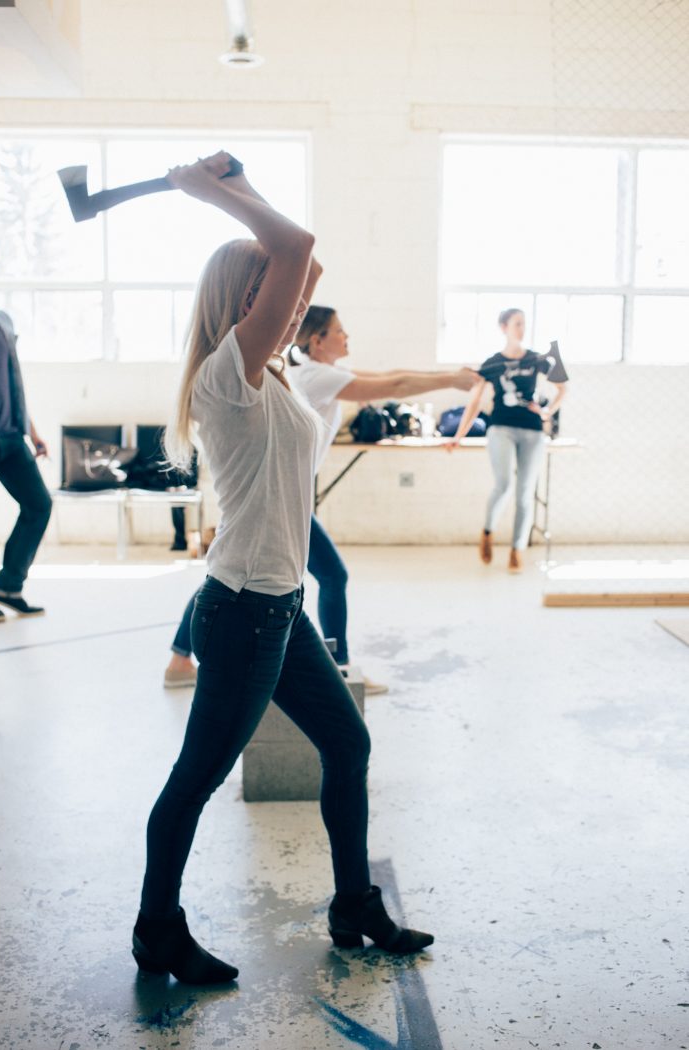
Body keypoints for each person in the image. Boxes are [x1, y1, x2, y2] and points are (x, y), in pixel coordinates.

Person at [134, 151, 433, 985]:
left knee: (347, 740)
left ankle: (352, 905)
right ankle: (157, 929)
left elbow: (308, 261)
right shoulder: (227, 374)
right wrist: (214, 194)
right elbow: (297, 247)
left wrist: (243, 186)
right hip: (241, 611)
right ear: (244, 300)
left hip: (279, 606)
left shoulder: (273, 371)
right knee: (194, 780)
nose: (299, 302)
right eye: (275, 289)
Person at [163, 306, 477, 694]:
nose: (347, 338)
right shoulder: (318, 375)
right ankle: (339, 670)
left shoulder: (312, 373)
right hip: (277, 499)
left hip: (275, 494)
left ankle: (179, 659)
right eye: (340, 331)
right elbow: (394, 386)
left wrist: (452, 376)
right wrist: (452, 380)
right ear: (317, 340)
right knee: (328, 576)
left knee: (228, 575)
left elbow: (387, 377)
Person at [446, 307, 568, 571]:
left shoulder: (536, 359)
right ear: (504, 327)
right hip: (501, 427)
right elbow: (475, 402)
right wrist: (458, 436)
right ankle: (487, 532)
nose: (521, 329)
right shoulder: (492, 363)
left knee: (525, 493)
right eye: (517, 324)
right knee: (503, 485)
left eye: (524, 324)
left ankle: (517, 549)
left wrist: (547, 412)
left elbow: (562, 387)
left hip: (533, 430)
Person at [0, 252, 52, 622]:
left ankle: (8, 584)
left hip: (12, 437)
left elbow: (11, 378)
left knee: (38, 505)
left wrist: (33, 430)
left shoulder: (2, 319)